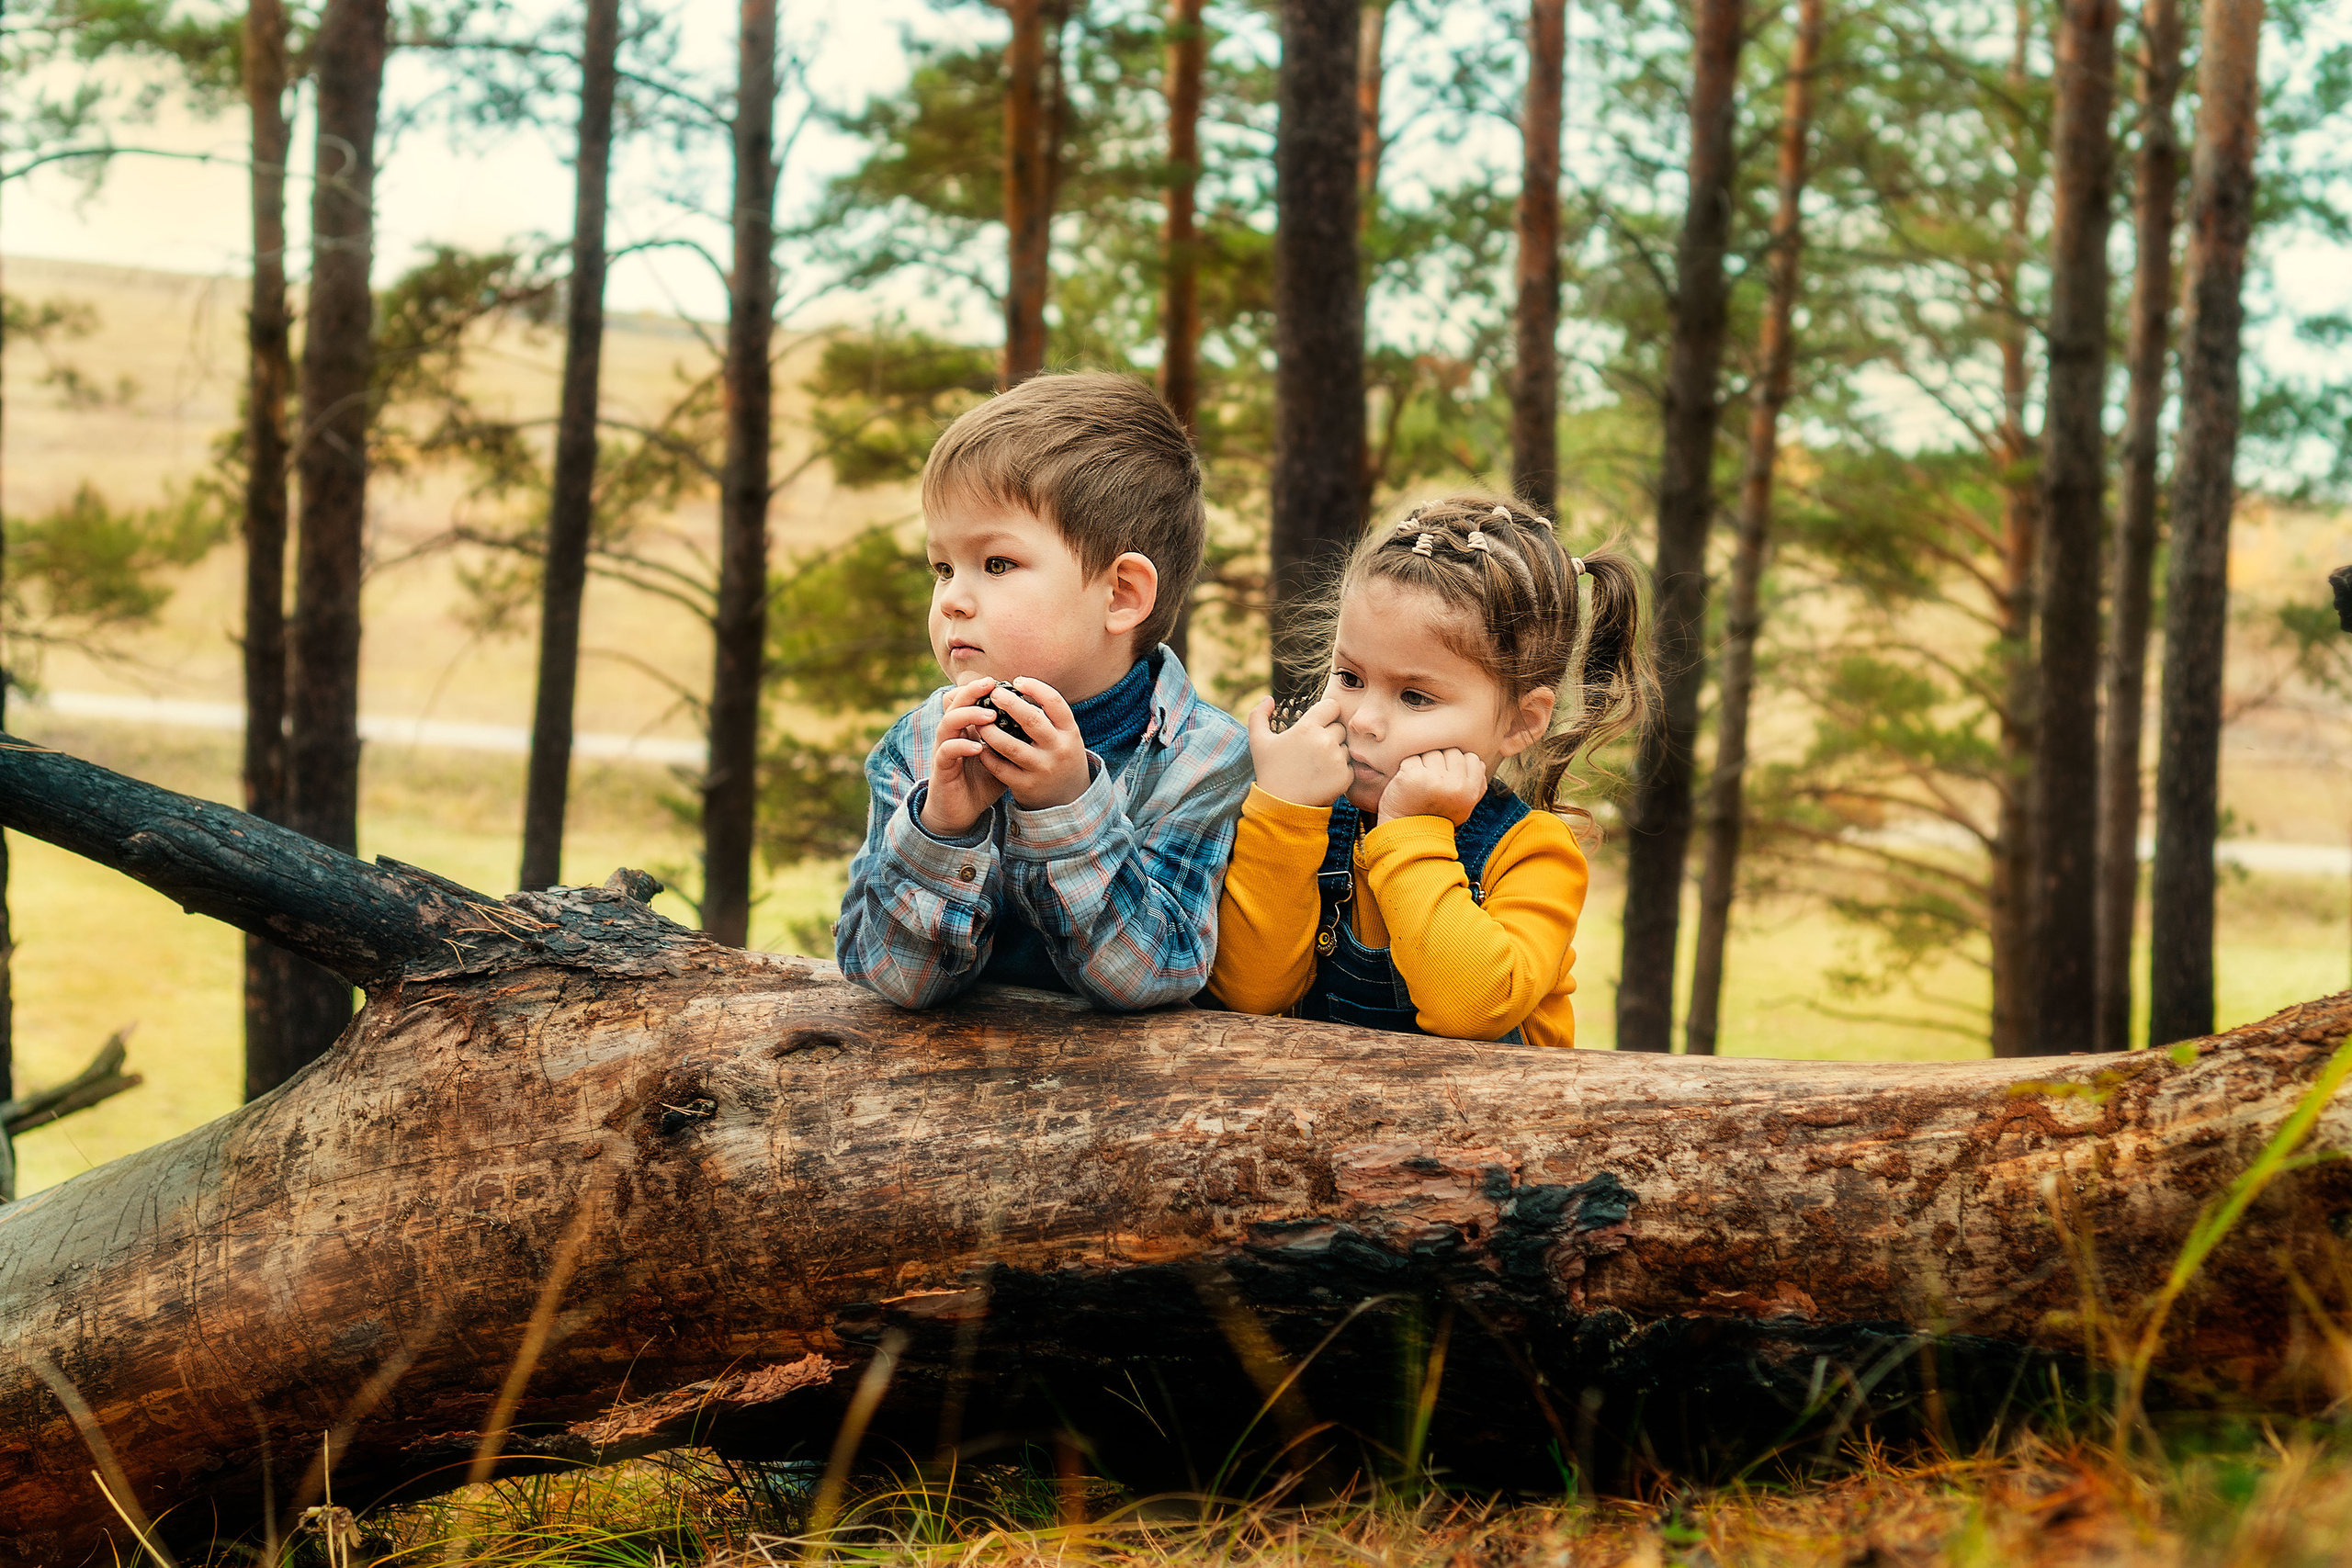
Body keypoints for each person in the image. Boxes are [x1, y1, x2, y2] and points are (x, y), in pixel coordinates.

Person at [835, 373, 1252, 1010]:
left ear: (1121, 594)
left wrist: (1066, 809)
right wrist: (942, 828)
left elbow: (1156, 973)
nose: (951, 599)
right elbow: (888, 976)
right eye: (942, 567)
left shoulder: (1203, 758)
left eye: (996, 564)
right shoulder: (921, 744)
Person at [1205, 494, 1648, 1047]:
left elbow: (1475, 1010)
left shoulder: (1534, 853)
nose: (1363, 720)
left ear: (1520, 721)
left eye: (1415, 697)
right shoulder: (1302, 823)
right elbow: (1249, 994)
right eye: (1350, 678)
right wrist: (1284, 814)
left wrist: (1411, 832)